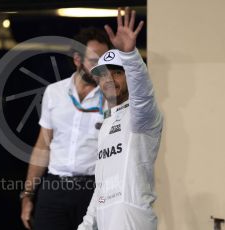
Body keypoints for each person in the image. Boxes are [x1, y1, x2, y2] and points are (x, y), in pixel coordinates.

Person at [77, 7, 163, 230]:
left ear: (129, 76)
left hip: (132, 220)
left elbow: (143, 95)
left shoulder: (141, 116)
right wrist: (86, 226)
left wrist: (130, 56)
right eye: (103, 74)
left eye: (117, 72)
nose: (108, 79)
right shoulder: (106, 123)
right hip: (106, 218)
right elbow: (101, 186)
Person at [20, 28, 111, 230]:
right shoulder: (54, 92)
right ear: (77, 59)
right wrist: (28, 194)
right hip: (54, 188)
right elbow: (43, 145)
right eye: (95, 61)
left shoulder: (112, 97)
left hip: (93, 190)